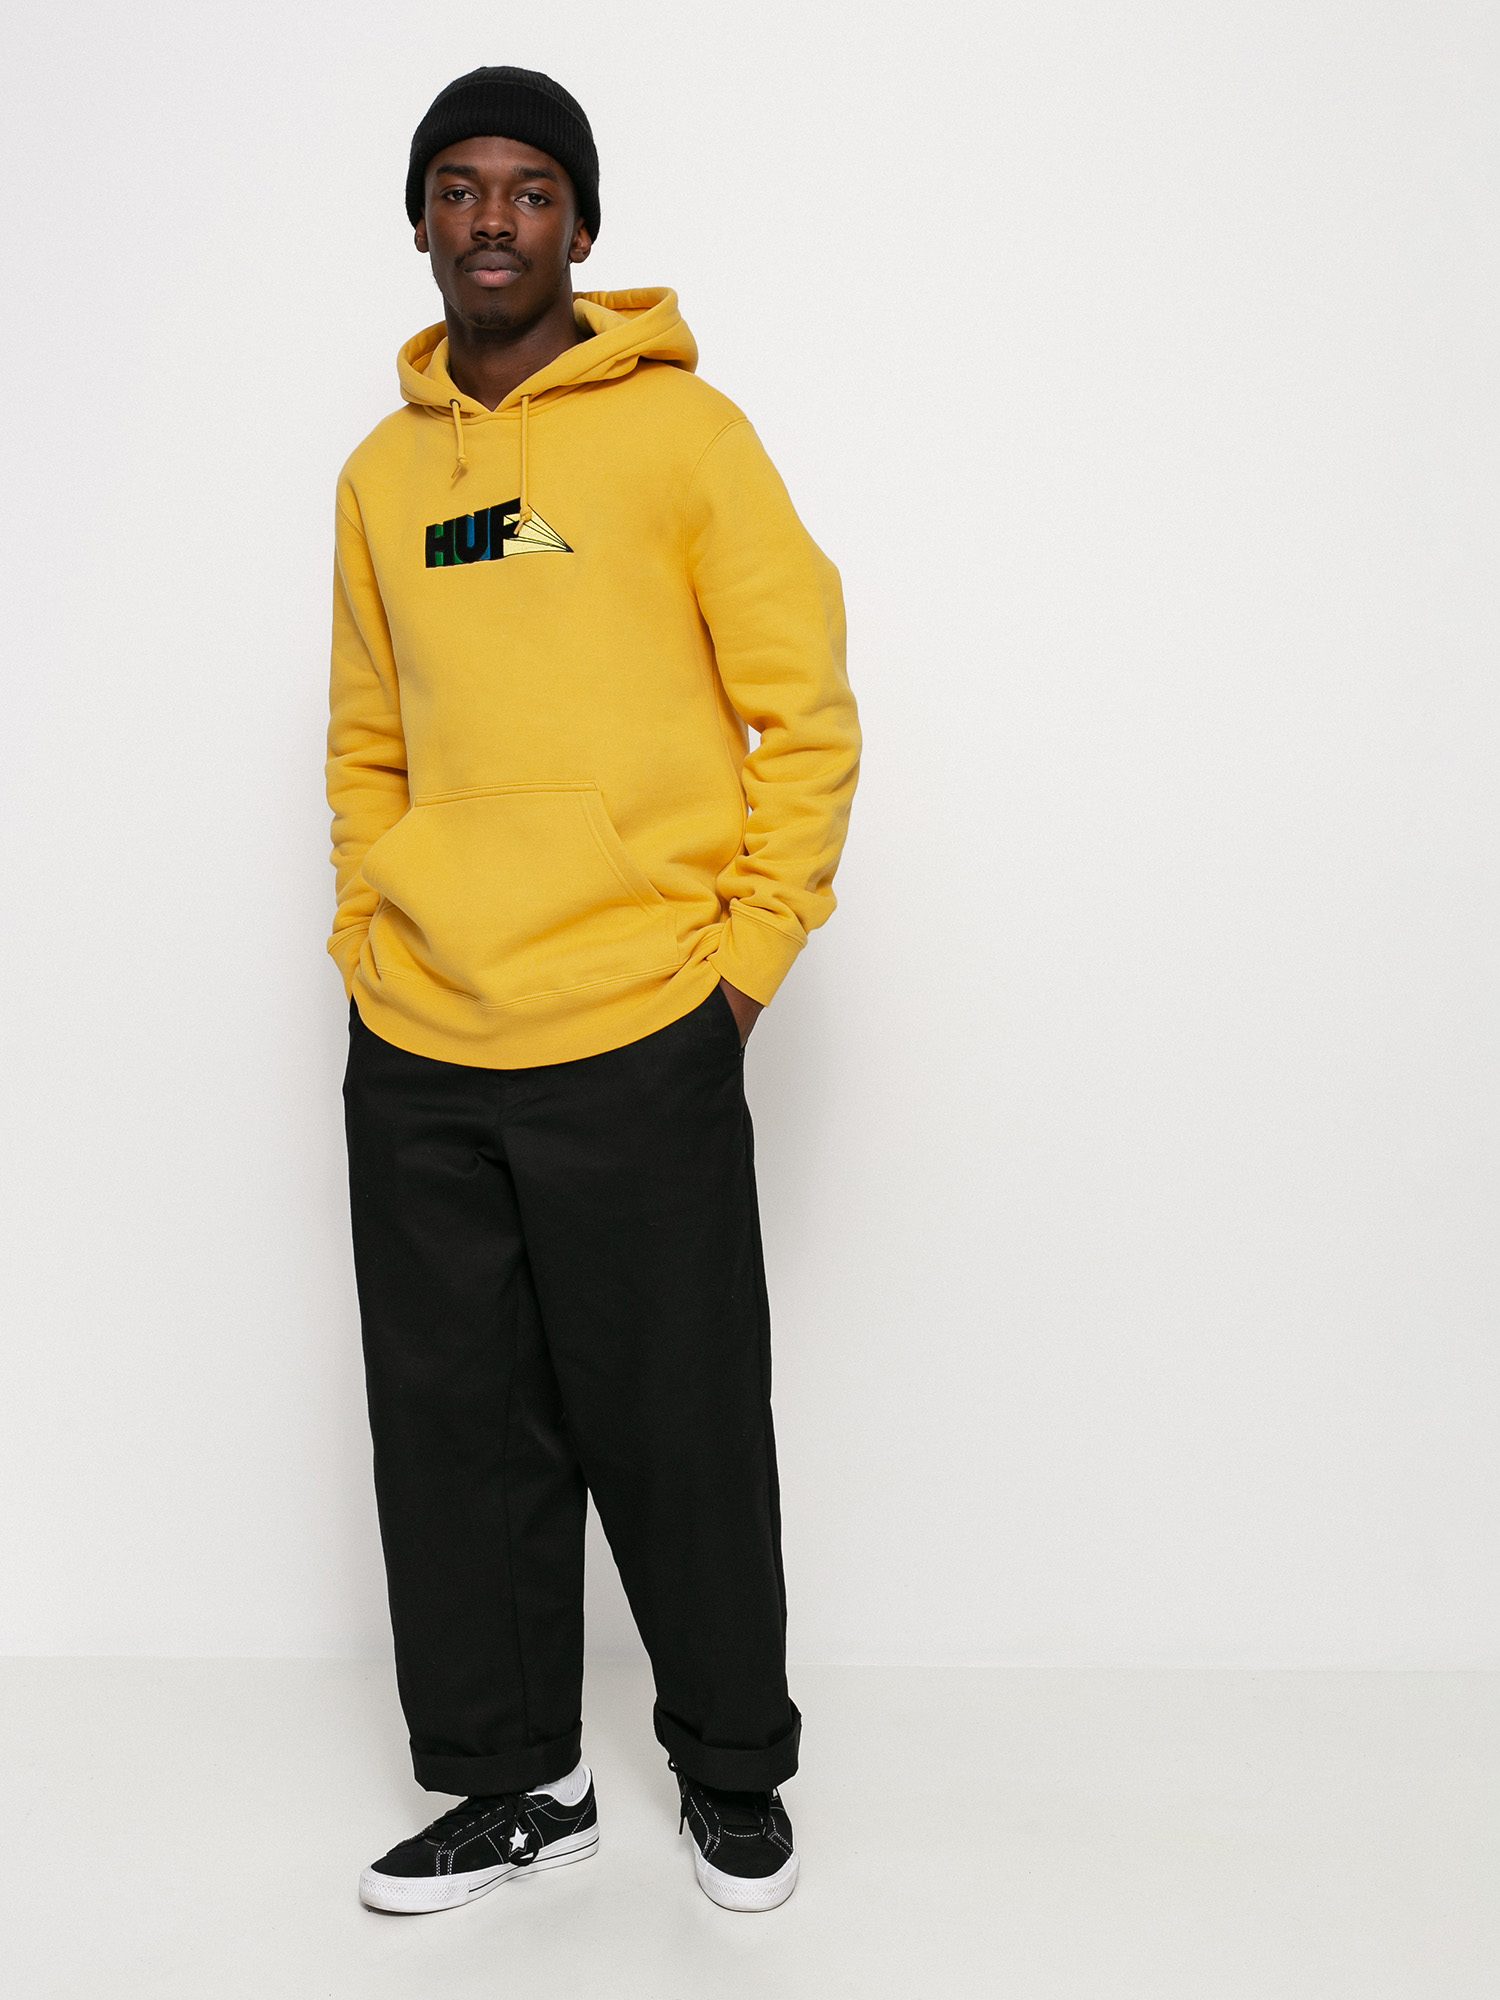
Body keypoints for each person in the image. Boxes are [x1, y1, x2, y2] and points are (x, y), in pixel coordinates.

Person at [326, 65, 860, 1916]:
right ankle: (513, 1787)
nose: (494, 219)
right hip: (421, 1033)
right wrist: (366, 938)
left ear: (581, 225)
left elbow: (808, 714)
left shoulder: (685, 438)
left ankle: (731, 1768)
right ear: (418, 220)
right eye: (460, 188)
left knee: (677, 1418)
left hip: (639, 1021)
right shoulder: (381, 478)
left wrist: (744, 969)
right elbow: (367, 743)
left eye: (532, 189)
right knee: (454, 1437)